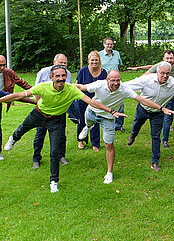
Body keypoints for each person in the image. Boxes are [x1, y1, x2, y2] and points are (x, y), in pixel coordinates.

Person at [0, 65, 126, 193]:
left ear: (66, 76)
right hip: (38, 114)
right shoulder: (43, 87)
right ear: (51, 77)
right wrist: (1, 100)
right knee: (21, 129)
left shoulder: (71, 89)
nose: (61, 78)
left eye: (63, 75)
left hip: (56, 121)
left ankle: (54, 181)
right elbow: (18, 95)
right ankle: (13, 138)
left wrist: (110, 110)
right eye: (57, 76)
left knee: (55, 151)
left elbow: (91, 101)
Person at [76, 69, 174, 184]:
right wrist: (65, 85)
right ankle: (88, 127)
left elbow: (142, 100)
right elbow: (81, 87)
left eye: (118, 80)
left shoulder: (124, 89)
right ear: (107, 80)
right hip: (92, 112)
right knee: (89, 123)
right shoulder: (99, 84)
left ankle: (109, 172)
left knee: (109, 144)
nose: (116, 83)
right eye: (113, 80)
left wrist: (161, 108)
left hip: (108, 118)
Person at [125, 61, 174, 171]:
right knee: (137, 124)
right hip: (143, 108)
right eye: (162, 73)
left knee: (156, 136)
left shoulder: (173, 84)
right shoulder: (147, 80)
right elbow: (127, 85)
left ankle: (155, 161)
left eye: (167, 73)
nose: (165, 76)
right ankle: (133, 134)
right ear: (157, 72)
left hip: (158, 113)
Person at [144, 50, 174, 148]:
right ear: (163, 59)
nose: (169, 60)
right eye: (167, 58)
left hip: (169, 96)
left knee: (167, 117)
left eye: (171, 58)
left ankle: (165, 140)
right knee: (150, 114)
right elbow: (145, 75)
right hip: (157, 95)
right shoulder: (159, 66)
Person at [32, 54, 72, 169]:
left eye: (65, 63)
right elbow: (36, 91)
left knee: (60, 135)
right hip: (43, 111)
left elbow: (67, 91)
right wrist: (42, 107)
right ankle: (36, 159)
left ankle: (61, 156)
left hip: (59, 111)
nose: (63, 65)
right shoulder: (44, 72)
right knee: (40, 134)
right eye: (61, 63)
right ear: (54, 62)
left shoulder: (67, 74)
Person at [0, 55, 32, 160]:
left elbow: (21, 83)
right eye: (0, 65)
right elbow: (12, 97)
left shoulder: (8, 73)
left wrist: (34, 91)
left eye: (4, 65)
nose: (2, 68)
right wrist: (33, 101)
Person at [76, 51, 107, 151]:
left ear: (99, 61)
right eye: (92, 60)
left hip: (96, 100)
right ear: (89, 61)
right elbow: (77, 85)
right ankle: (81, 140)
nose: (94, 62)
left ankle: (95, 143)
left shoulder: (103, 72)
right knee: (81, 119)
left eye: (96, 60)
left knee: (95, 120)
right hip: (83, 99)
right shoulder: (83, 71)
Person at [99, 37, 125, 131]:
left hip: (117, 82)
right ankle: (104, 122)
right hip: (105, 82)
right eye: (108, 44)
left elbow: (119, 66)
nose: (110, 46)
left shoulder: (117, 53)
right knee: (104, 102)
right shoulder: (99, 55)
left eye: (111, 44)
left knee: (120, 102)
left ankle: (118, 125)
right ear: (104, 44)